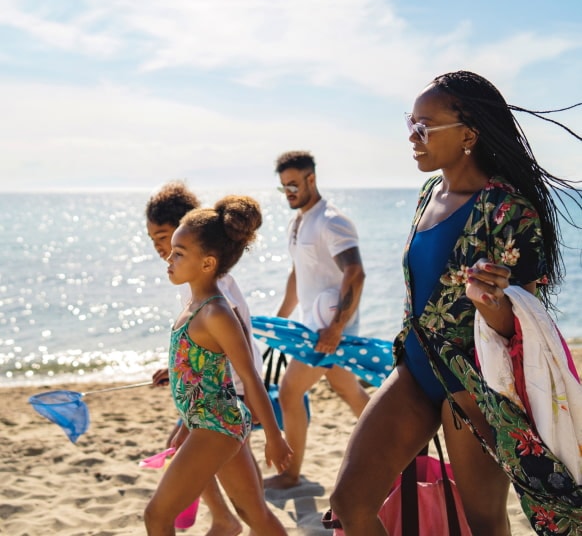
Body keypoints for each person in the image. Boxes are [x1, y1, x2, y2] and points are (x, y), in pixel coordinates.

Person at [330, 71, 582, 535]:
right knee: (350, 503)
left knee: (485, 523)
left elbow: (525, 329)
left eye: (424, 126)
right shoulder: (430, 194)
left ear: (468, 135)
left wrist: (492, 304)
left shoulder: (510, 210)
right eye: (411, 122)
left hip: (472, 387)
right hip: (415, 369)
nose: (411, 135)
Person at [144, 195, 293, 536]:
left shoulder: (216, 311)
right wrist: (178, 367)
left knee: (156, 515)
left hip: (217, 424)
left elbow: (249, 375)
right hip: (210, 420)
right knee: (252, 511)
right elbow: (204, 355)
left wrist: (274, 436)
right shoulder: (194, 302)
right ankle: (229, 523)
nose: (168, 257)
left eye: (178, 253)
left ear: (208, 263)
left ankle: (225, 523)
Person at [264, 151, 370, 489]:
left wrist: (336, 327)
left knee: (288, 392)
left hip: (328, 330)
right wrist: (280, 321)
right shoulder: (299, 222)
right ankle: (400, 446)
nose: (289, 193)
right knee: (347, 389)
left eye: (294, 184)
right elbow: (299, 275)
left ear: (312, 178)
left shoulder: (331, 220)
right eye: (284, 187)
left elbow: (355, 272)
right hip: (315, 326)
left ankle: (290, 473)